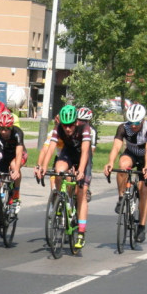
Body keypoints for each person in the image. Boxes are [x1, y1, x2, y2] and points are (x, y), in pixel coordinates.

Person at [35, 104, 94, 249]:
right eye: (65, 125)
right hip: (68, 153)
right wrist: (43, 167)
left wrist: (80, 170)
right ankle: (60, 197)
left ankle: (80, 232)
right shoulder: (58, 128)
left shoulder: (84, 128)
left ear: (76, 122)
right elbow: (50, 149)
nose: (67, 128)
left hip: (83, 156)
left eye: (70, 125)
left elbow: (86, 151)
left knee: (81, 192)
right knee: (58, 170)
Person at [103, 103, 147, 243]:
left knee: (143, 189)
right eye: (131, 123)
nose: (134, 126)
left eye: (137, 123)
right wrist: (110, 162)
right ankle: (121, 198)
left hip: (145, 157)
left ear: (143, 119)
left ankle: (142, 227)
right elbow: (116, 147)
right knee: (122, 166)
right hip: (131, 153)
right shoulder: (123, 127)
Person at [0, 110, 25, 214]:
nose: (3, 132)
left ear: (11, 127)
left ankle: (16, 192)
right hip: (4, 154)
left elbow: (19, 153)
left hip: (17, 154)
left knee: (14, 165)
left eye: (7, 129)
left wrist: (16, 170)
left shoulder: (17, 132)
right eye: (1, 128)